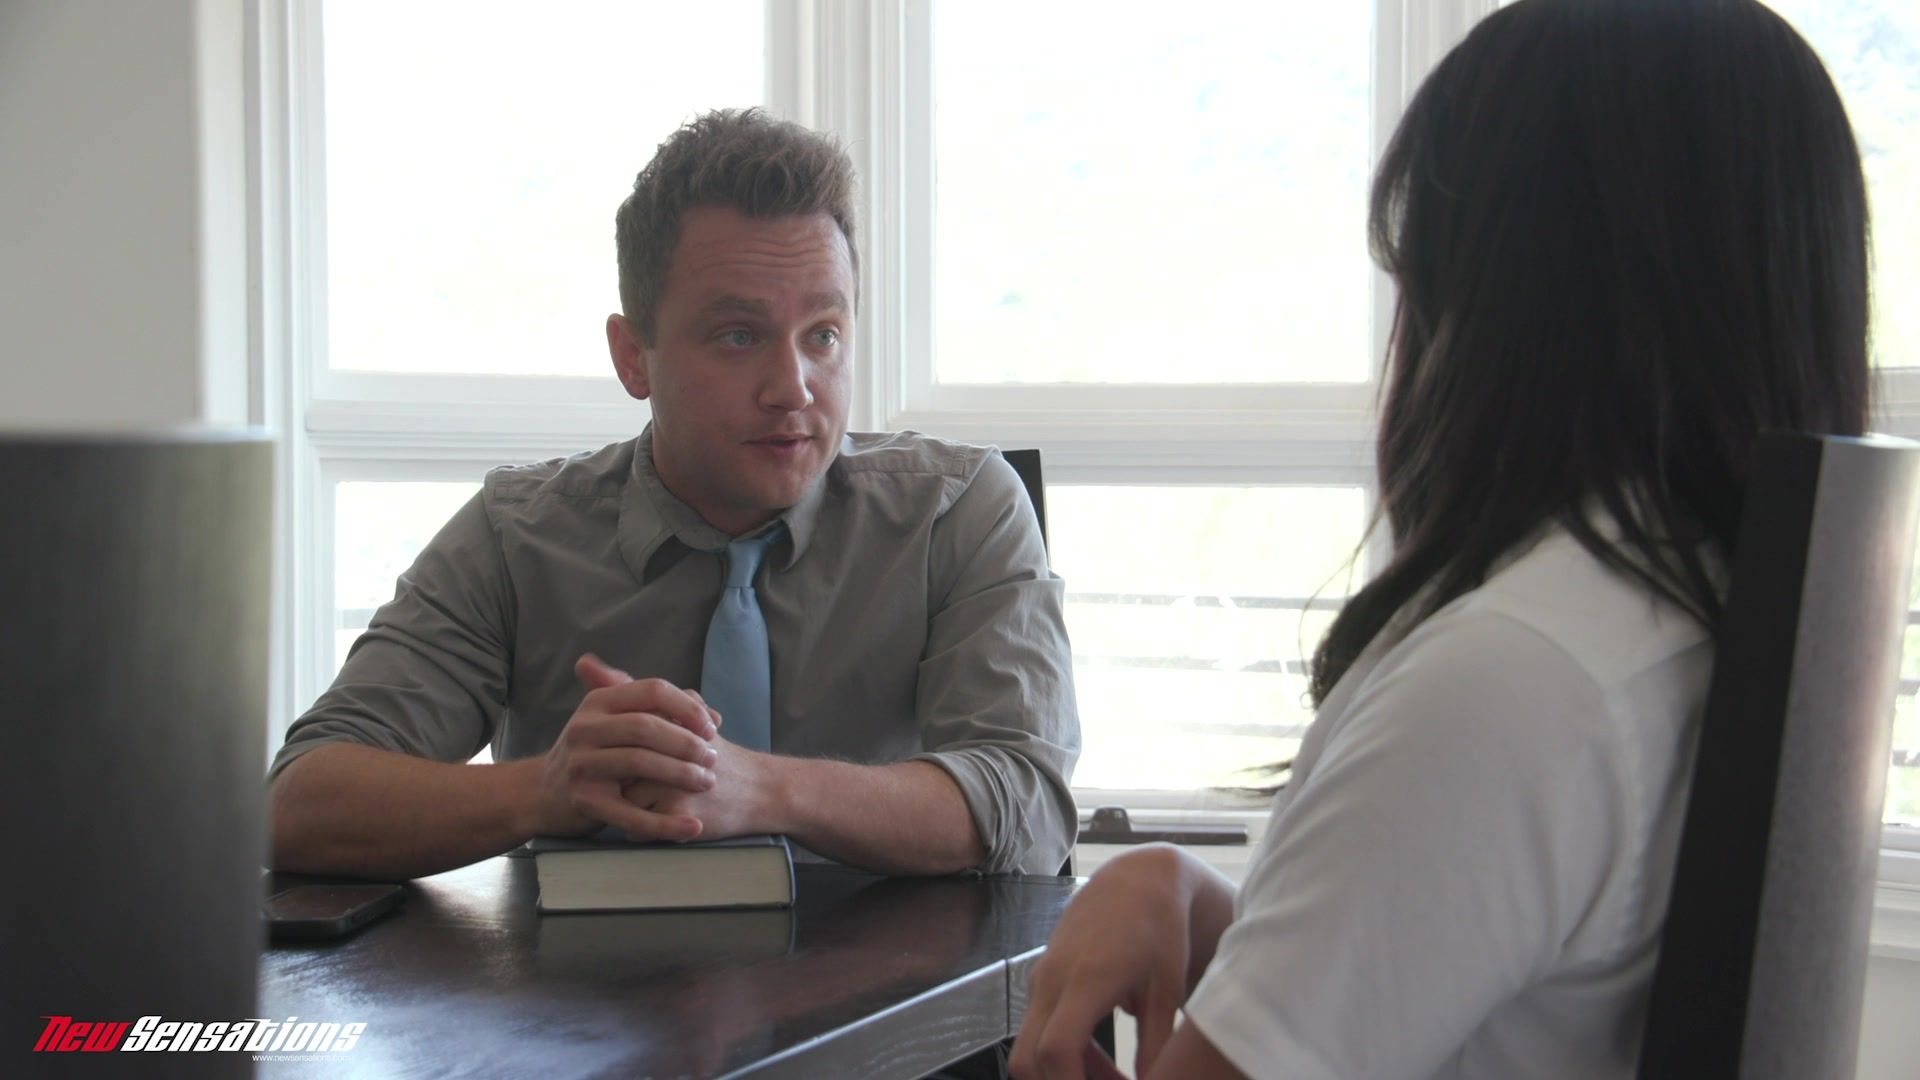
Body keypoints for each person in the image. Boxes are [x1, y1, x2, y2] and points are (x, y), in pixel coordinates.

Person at [1010, 1, 1870, 1077]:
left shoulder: (1517, 681)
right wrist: (1206, 900)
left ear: (1499, 302)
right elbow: (1498, 999)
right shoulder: (1677, 622)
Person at [268, 109, 1080, 881]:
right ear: (633, 357)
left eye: (823, 335)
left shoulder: (958, 513)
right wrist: (542, 791)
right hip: (586, 979)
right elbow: (296, 802)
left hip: (905, 981)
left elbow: (1029, 805)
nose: (793, 388)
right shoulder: (516, 538)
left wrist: (762, 788)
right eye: (739, 336)